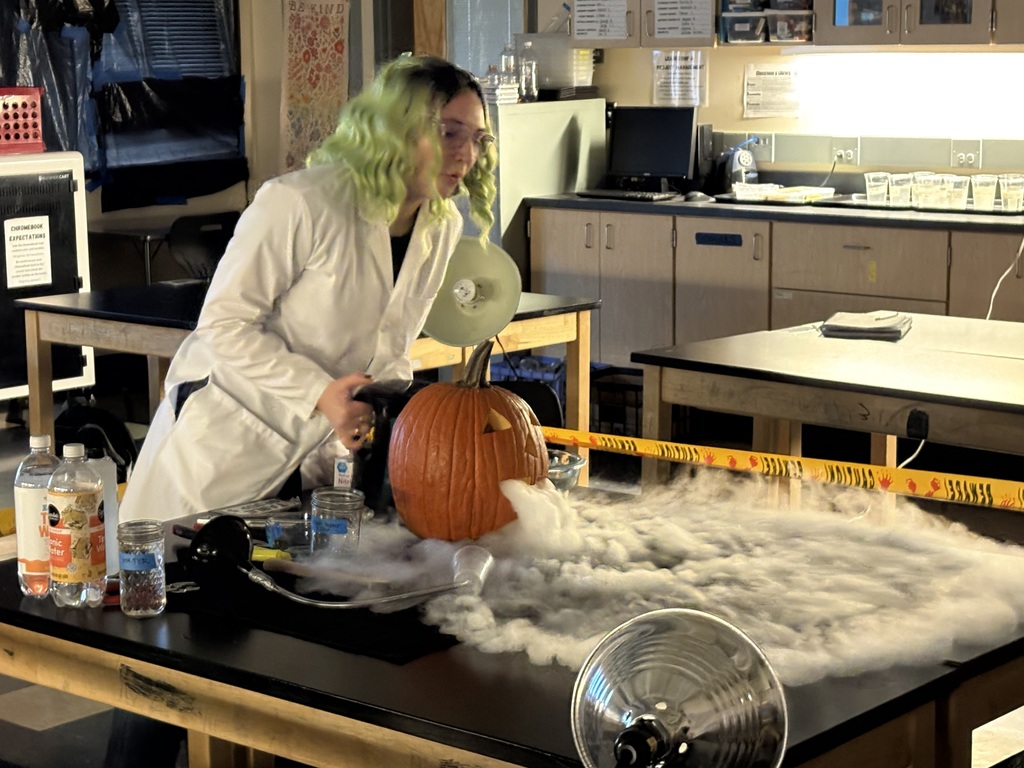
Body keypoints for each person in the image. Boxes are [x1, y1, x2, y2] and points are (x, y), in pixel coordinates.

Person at [119, 55, 498, 524]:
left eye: (478, 139)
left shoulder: (441, 225)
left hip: (322, 460)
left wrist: (399, 421)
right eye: (449, 132)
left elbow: (390, 348)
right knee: (189, 565)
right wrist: (320, 392)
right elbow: (223, 325)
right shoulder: (300, 202)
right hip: (228, 447)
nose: (466, 154)